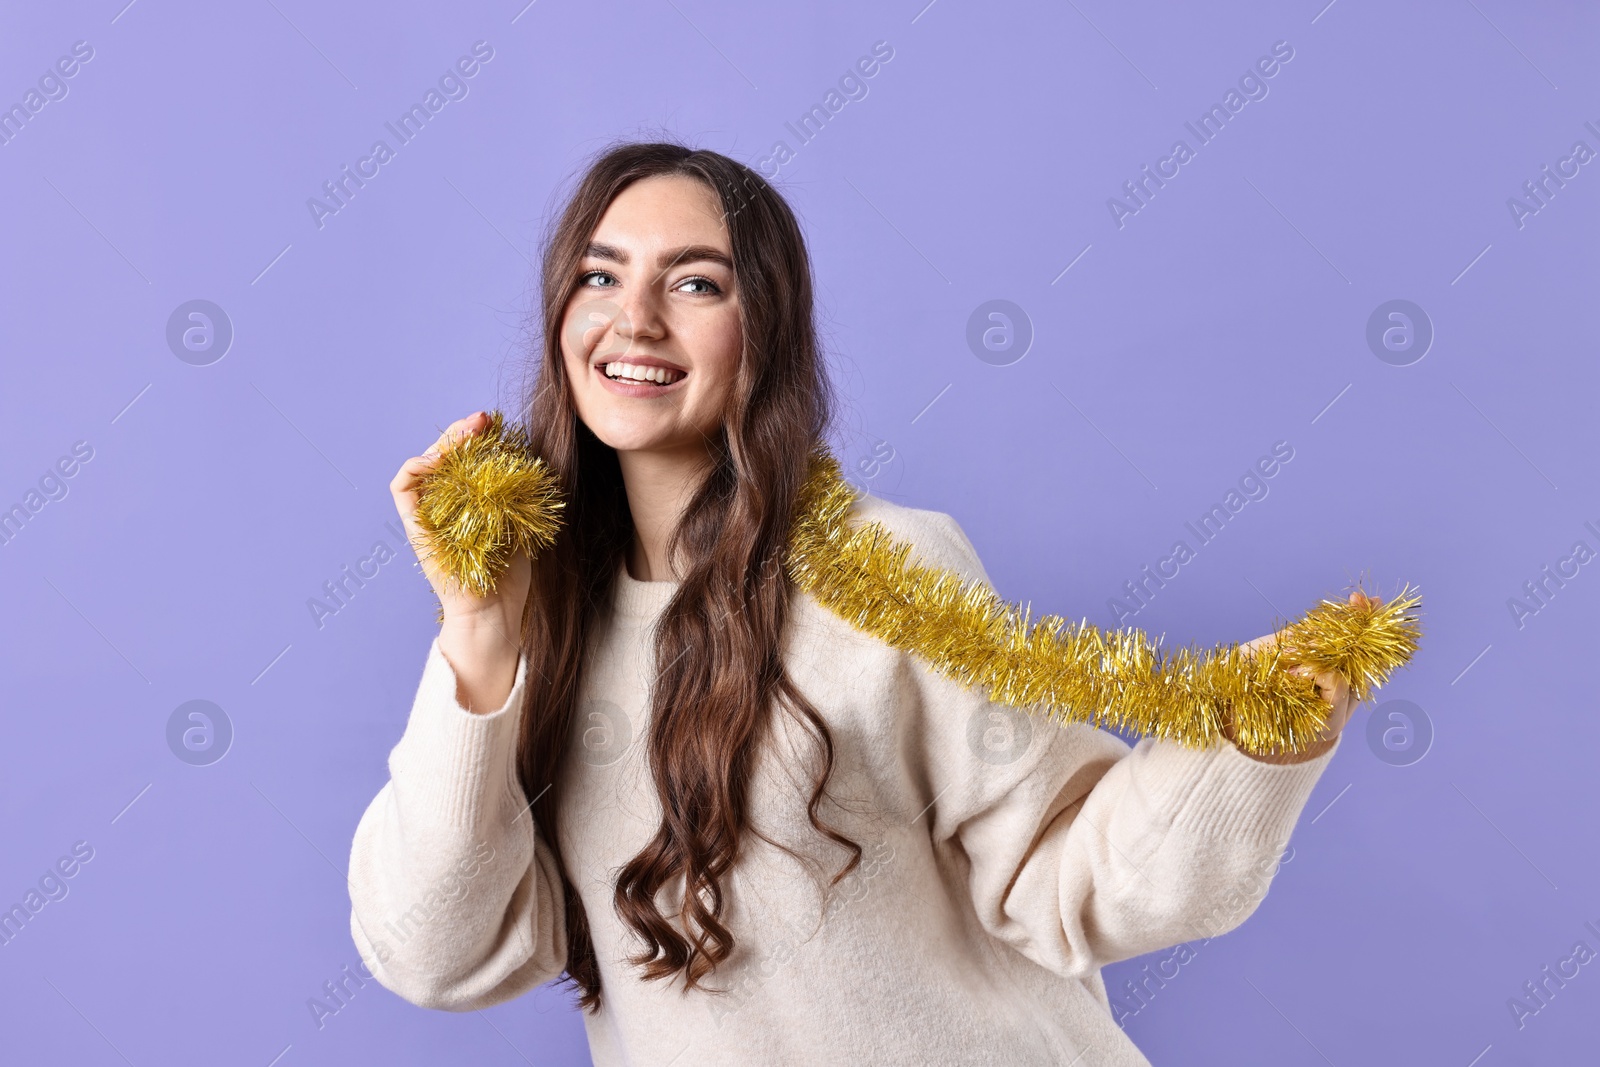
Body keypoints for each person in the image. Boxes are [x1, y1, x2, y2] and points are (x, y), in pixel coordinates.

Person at [347, 140, 1363, 1066]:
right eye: (599, 276)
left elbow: (1070, 876)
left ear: (766, 331)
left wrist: (1252, 742)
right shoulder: (540, 620)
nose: (634, 317)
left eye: (695, 282)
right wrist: (479, 632)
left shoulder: (879, 568)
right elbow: (433, 950)